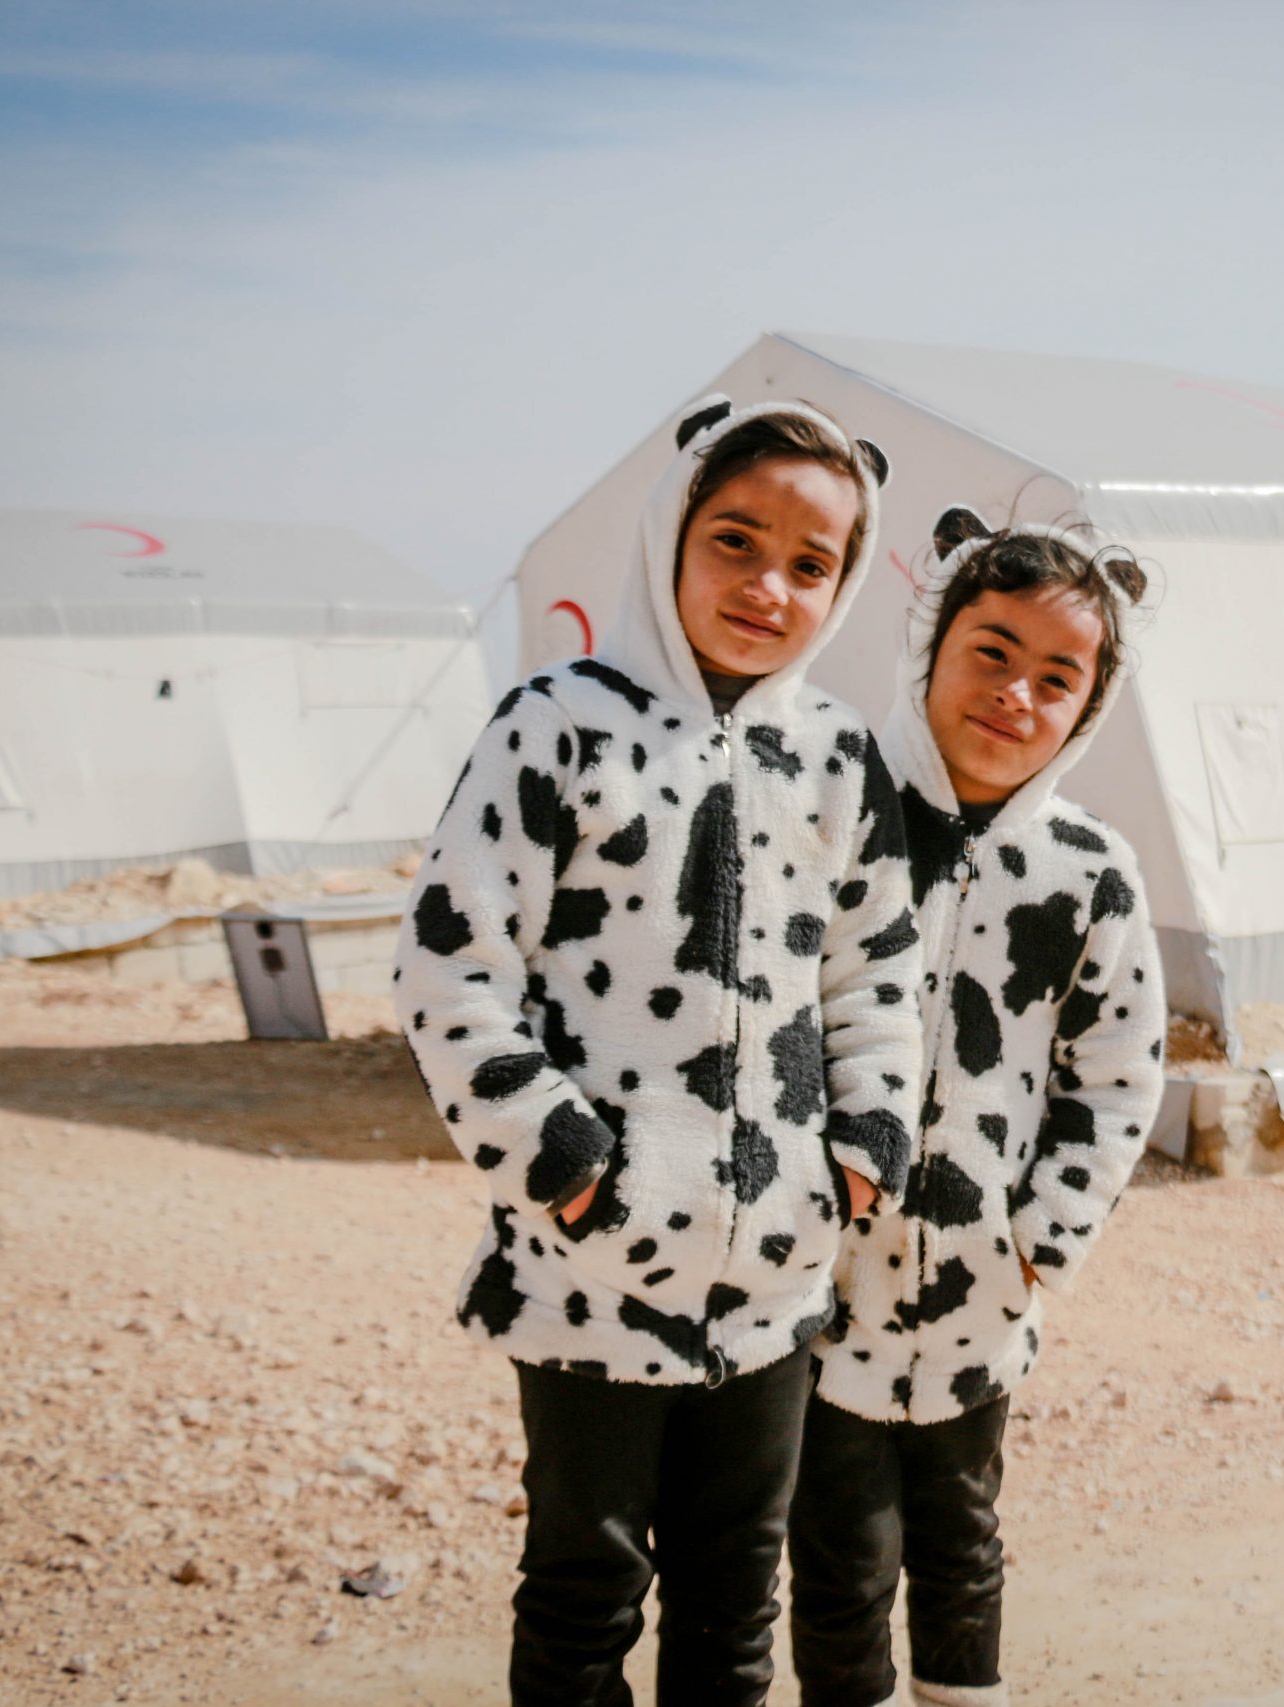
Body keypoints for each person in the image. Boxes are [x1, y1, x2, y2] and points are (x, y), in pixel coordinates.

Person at [392, 397, 924, 1706]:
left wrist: (856, 1157)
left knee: (736, 1593)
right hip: (589, 1267)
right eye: (737, 539)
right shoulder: (558, 723)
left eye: (812, 564)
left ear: (845, 587)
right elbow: (450, 966)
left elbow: (877, 982)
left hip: (779, 1271)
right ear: (669, 532)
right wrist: (568, 1161)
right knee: (584, 1590)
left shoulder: (838, 757)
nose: (768, 586)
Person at [788, 507, 1165, 1707]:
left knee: (961, 1539)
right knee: (838, 1556)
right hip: (816, 1276)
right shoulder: (836, 810)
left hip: (978, 1284)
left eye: (1057, 678)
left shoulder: (1089, 871)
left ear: (1087, 707)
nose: (1016, 696)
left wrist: (1041, 1242)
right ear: (931, 650)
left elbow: (1117, 1071)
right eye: (991, 652)